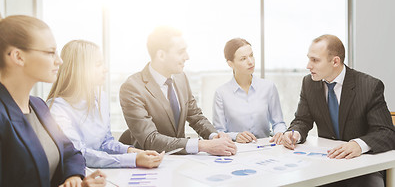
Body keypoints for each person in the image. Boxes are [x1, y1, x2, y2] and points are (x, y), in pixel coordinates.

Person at [0, 15, 106, 187]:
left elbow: (70, 152)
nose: (59, 60)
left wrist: (73, 178)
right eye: (50, 52)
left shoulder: (38, 106)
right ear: (18, 57)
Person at [282, 34, 395, 187]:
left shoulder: (369, 86)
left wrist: (358, 145)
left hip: (361, 168)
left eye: (315, 60)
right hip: (326, 165)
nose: (308, 66)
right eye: (309, 58)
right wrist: (294, 133)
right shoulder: (309, 83)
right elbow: (302, 120)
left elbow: (387, 132)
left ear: (335, 61)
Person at [119, 26, 237, 155]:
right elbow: (150, 139)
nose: (187, 57)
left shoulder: (181, 78)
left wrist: (213, 136)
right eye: (181, 52)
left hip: (180, 160)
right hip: (149, 162)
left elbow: (195, 117)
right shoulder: (132, 88)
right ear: (161, 55)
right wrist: (203, 145)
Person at [47, 40, 164, 168]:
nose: (105, 70)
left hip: (102, 171)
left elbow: (105, 142)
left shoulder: (101, 97)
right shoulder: (57, 109)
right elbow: (79, 153)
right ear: (81, 69)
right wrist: (133, 160)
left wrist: (133, 151)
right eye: (98, 64)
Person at [213, 38, 287, 143]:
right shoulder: (221, 93)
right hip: (236, 151)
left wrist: (280, 133)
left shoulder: (268, 87)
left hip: (265, 149)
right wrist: (236, 136)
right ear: (230, 64)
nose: (250, 62)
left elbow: (278, 122)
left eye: (251, 55)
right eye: (243, 59)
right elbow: (219, 132)